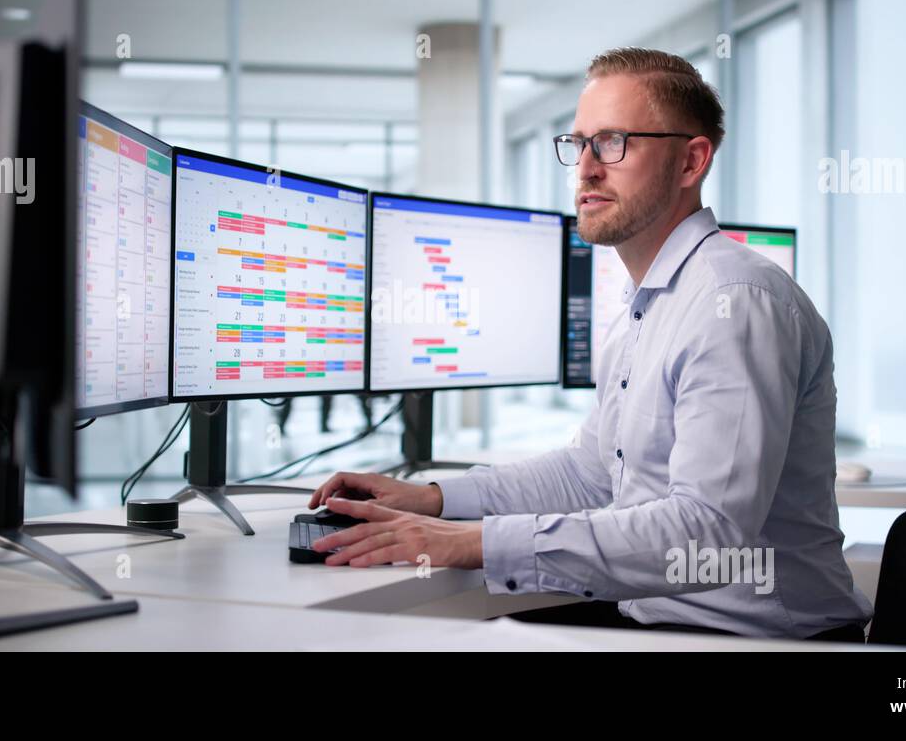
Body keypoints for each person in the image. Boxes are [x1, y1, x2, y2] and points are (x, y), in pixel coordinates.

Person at [306, 47, 871, 641]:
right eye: (578, 145)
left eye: (612, 142)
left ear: (691, 161)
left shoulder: (735, 303)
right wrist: (434, 499)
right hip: (655, 620)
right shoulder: (643, 306)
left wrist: (474, 543)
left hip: (753, 639)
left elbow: (705, 532)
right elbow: (591, 475)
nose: (586, 168)